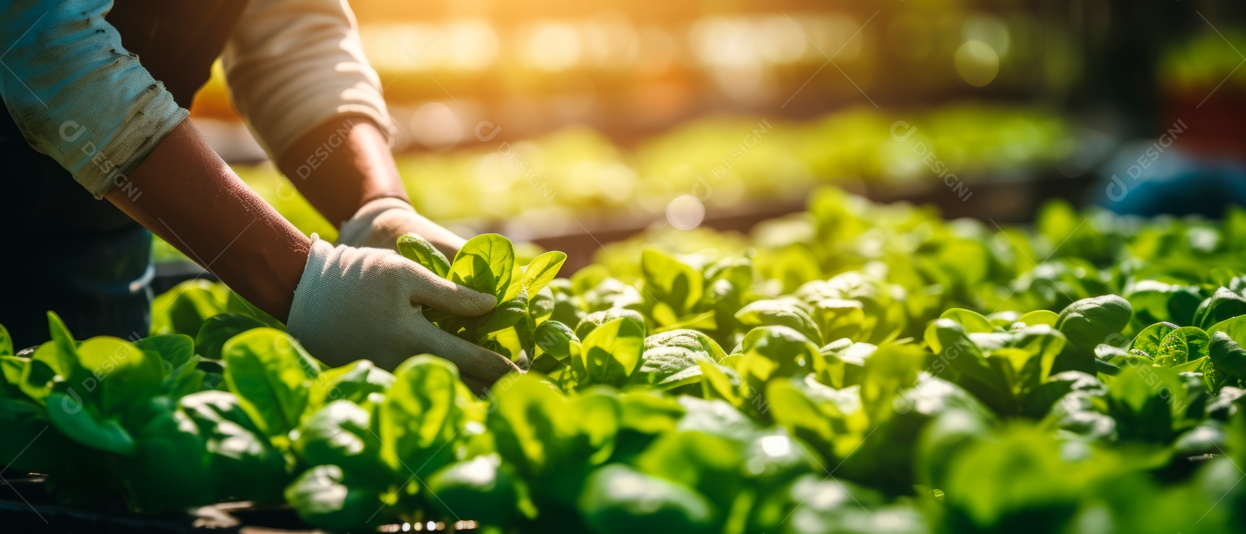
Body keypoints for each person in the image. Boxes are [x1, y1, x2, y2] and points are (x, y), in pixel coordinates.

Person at [0, 0, 520, 391]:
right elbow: (42, 45)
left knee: (95, 451)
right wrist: (305, 281)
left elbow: (290, 29)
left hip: (100, 238)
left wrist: (376, 207)